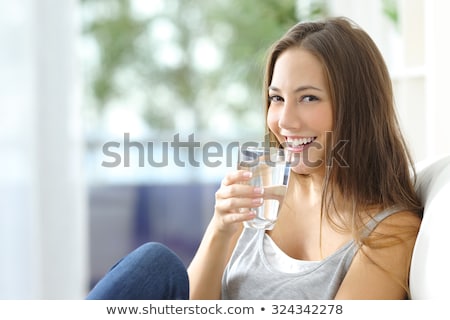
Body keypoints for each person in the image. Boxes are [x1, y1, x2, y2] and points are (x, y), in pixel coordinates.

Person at [86, 16, 422, 300]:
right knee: (155, 264)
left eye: (308, 98)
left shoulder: (391, 231)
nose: (285, 121)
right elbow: (192, 309)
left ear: (357, 109)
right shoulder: (261, 187)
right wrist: (220, 228)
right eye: (277, 98)